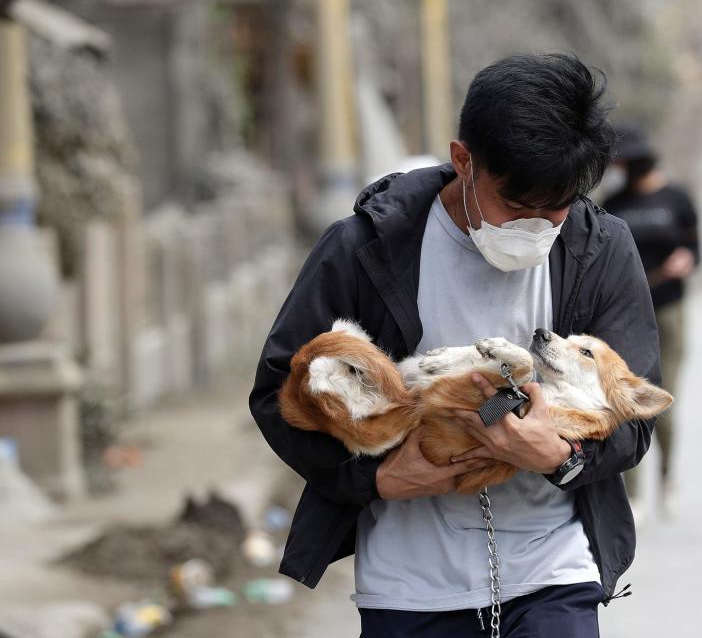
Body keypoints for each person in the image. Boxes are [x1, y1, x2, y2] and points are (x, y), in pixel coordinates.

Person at [249, 54, 661, 637]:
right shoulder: (366, 250)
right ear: (463, 160)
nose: (537, 227)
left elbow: (633, 420)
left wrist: (561, 458)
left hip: (554, 575)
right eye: (516, 208)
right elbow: (275, 396)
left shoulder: (600, 252)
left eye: (557, 210)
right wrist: (378, 481)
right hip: (410, 586)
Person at [602, 126, 700, 516]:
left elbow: (696, 248)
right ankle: (635, 492)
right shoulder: (614, 203)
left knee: (664, 401)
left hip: (669, 311)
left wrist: (686, 261)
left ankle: (667, 478)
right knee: (629, 401)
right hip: (627, 315)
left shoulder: (677, 199)